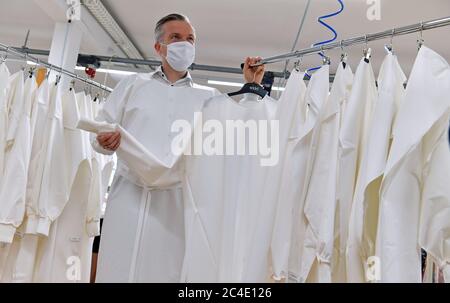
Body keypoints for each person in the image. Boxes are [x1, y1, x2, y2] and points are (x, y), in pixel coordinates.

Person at [91, 13, 265, 282]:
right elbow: (100, 128)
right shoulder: (132, 86)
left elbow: (238, 129)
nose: (185, 44)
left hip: (177, 201)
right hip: (129, 194)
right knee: (118, 265)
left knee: (168, 269)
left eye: (190, 39)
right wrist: (103, 142)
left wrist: (251, 85)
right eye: (176, 38)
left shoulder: (208, 99)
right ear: (159, 47)